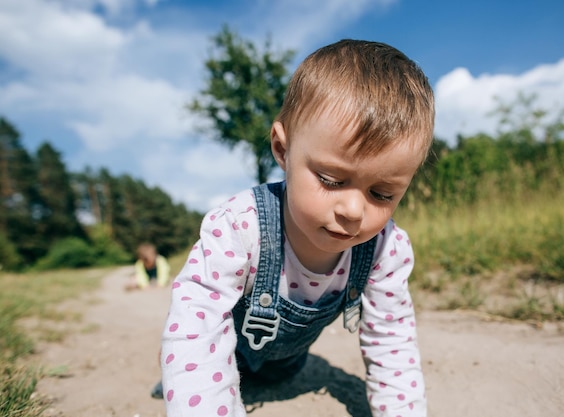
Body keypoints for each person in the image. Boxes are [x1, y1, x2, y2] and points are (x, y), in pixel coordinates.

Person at [160, 39, 435, 417]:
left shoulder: (384, 250)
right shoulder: (241, 225)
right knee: (198, 366)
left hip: (286, 366)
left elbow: (392, 339)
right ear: (282, 149)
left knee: (278, 374)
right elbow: (197, 322)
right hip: (220, 352)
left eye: (382, 193)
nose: (354, 211)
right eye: (331, 179)